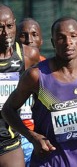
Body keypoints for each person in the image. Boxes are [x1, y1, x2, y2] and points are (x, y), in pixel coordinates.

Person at [1, 17, 77, 166]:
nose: (68, 42)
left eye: (73, 36)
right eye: (61, 37)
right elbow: (8, 109)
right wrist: (32, 137)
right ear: (53, 42)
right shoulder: (36, 75)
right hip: (47, 161)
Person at [0, 4, 40, 167]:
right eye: (0, 28)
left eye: (10, 26)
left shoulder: (29, 55)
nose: (6, 33)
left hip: (10, 139)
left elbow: (41, 94)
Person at [16, 17, 46, 167]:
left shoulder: (51, 72)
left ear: (42, 40)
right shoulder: (7, 69)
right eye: (23, 35)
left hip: (41, 138)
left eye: (34, 34)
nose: (29, 40)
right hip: (11, 137)